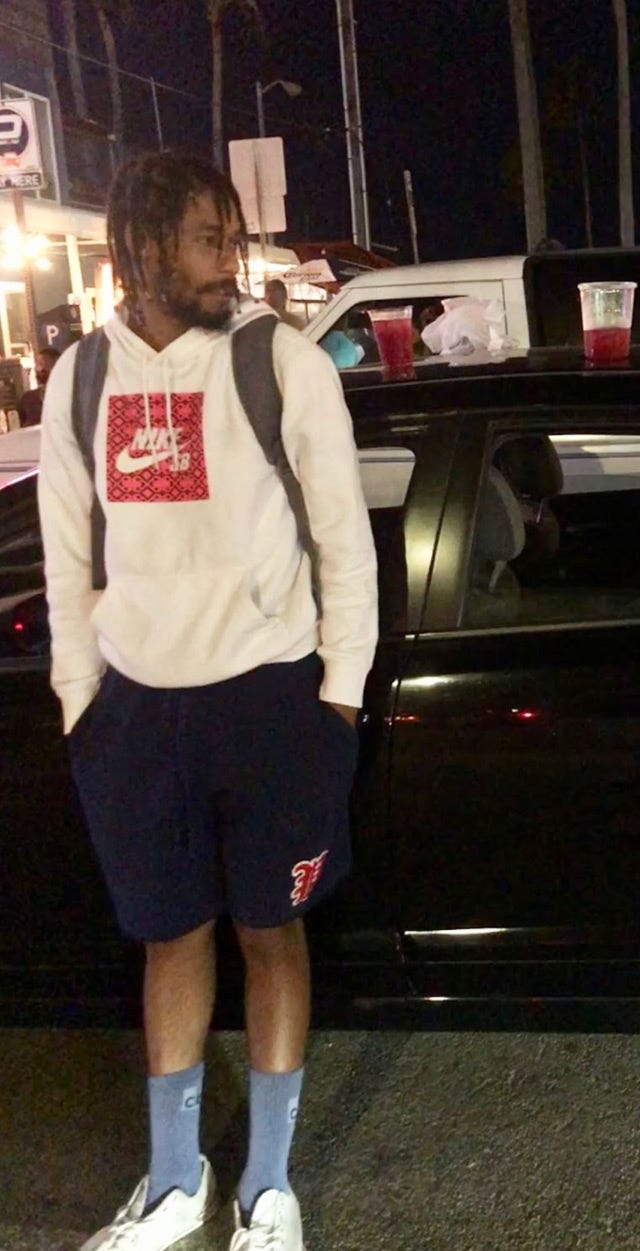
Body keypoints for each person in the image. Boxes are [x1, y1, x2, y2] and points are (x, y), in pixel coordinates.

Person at [37, 152, 378, 1251]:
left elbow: (344, 540)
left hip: (272, 701)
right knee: (169, 939)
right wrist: (83, 703)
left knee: (272, 934)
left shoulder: (280, 362)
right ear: (140, 249)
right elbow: (66, 560)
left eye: (230, 236)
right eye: (205, 239)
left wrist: (338, 697)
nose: (228, 258)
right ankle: (174, 1181)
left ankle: (267, 1188)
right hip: (138, 714)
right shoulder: (82, 378)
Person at [16, 345, 60, 427]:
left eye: (41, 364)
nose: (38, 369)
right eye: (37, 364)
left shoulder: (68, 396)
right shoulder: (27, 399)